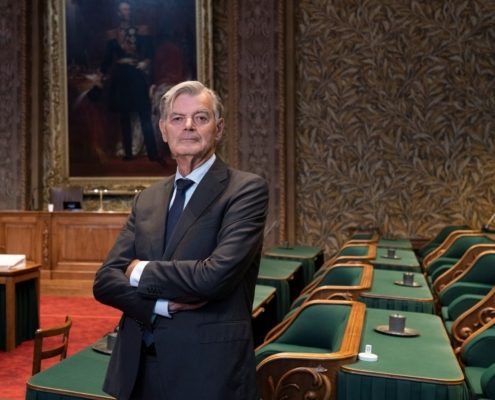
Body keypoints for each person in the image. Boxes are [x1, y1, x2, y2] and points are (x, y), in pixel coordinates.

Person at [93, 80, 269, 399]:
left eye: (200, 118)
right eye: (177, 118)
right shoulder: (147, 198)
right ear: (163, 130)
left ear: (219, 128)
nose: (188, 126)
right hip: (136, 371)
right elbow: (104, 281)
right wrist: (159, 305)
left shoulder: (245, 191)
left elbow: (212, 277)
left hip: (206, 373)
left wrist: (138, 271)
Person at [100, 1, 159, 161]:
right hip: (122, 76)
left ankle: (153, 154)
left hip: (137, 74)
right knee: (124, 116)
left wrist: (146, 62)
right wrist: (102, 73)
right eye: (124, 10)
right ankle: (128, 153)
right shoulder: (113, 35)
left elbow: (150, 54)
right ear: (119, 13)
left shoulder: (142, 31)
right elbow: (107, 58)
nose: (127, 12)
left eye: (129, 10)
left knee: (144, 113)